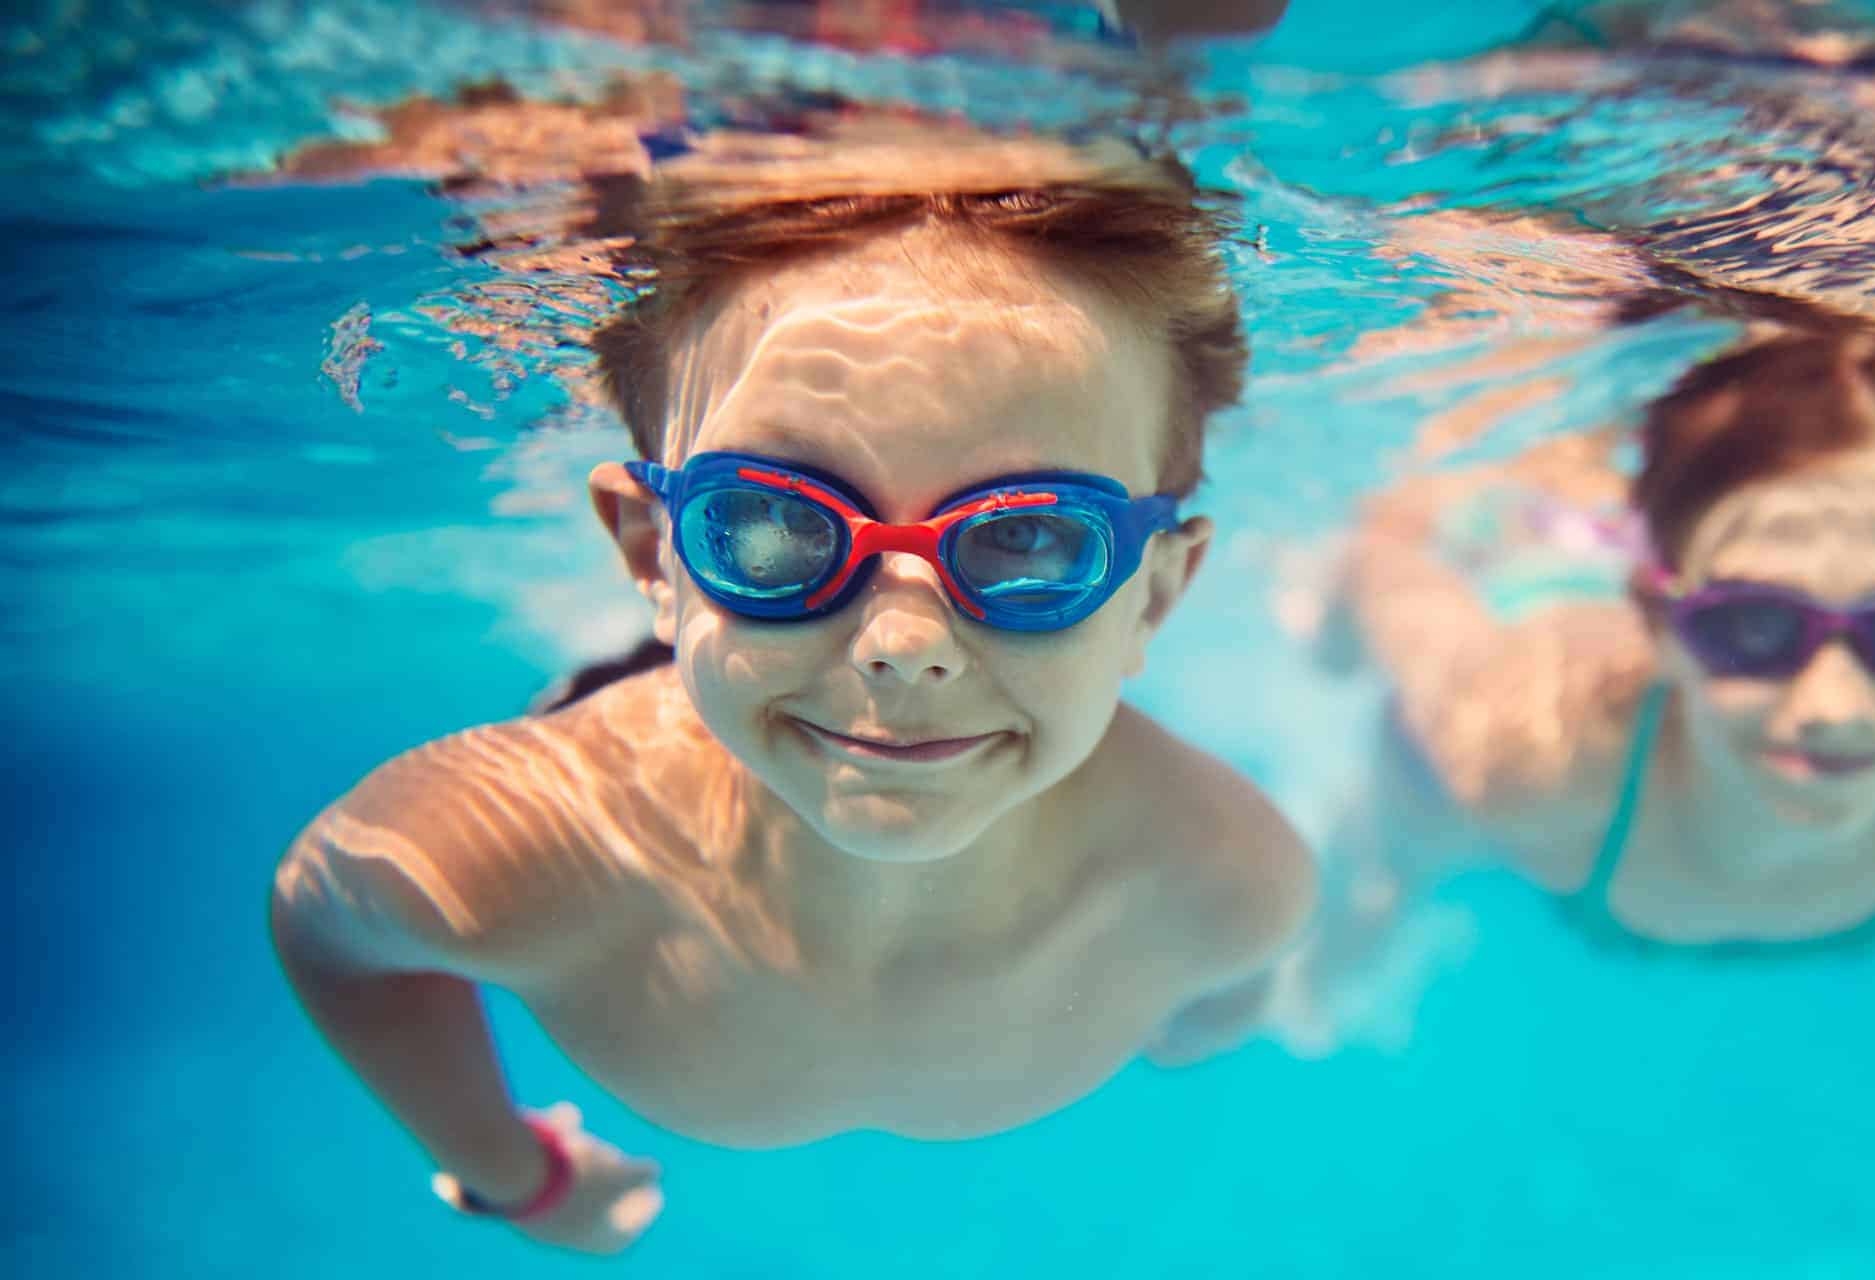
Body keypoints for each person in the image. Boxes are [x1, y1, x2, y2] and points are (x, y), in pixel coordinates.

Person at [268, 117, 1313, 1256]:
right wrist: (509, 1172)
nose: (902, 642)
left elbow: (1226, 997)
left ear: (1154, 597)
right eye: (769, 519)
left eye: (1028, 543)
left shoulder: (1226, 884)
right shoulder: (507, 854)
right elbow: (328, 931)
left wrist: (1200, 1012)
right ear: (648, 555)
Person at [1276, 321, 1875, 1042]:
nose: (1834, 708)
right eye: (1754, 627)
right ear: (1657, 619)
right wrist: (1331, 645)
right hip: (1531, 617)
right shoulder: (1522, 748)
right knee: (1391, 866)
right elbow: (1383, 563)